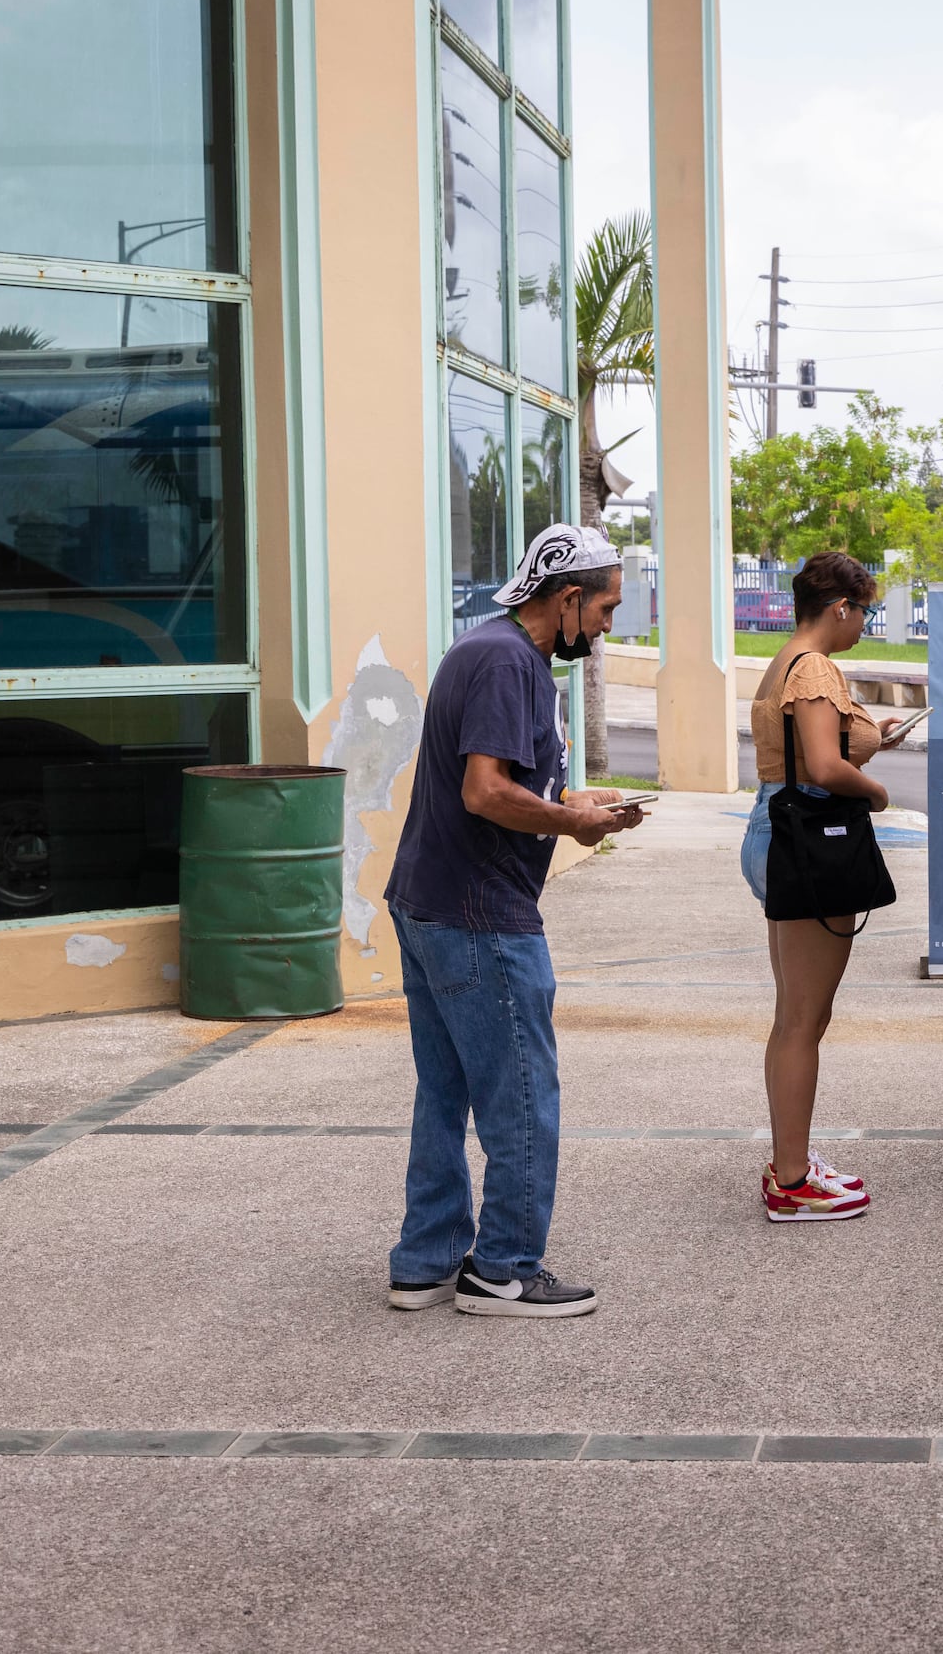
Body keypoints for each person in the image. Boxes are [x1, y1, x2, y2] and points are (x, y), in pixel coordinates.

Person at [384, 524, 642, 1317]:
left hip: (430, 900)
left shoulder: (483, 648)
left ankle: (424, 1262)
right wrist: (575, 828)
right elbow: (485, 792)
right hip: (479, 914)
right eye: (604, 608)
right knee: (524, 1093)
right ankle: (503, 1268)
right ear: (566, 599)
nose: (606, 628)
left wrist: (570, 800)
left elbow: (507, 782)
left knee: (447, 1089)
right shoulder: (509, 663)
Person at [742, 552, 914, 1221]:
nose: (866, 620)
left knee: (794, 1015)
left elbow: (817, 746)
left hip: (778, 828)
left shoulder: (786, 659)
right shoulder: (816, 668)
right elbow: (822, 765)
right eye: (864, 608)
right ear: (840, 606)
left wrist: (869, 740)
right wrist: (873, 789)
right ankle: (791, 1181)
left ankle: (790, 1158)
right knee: (804, 1021)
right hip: (808, 836)